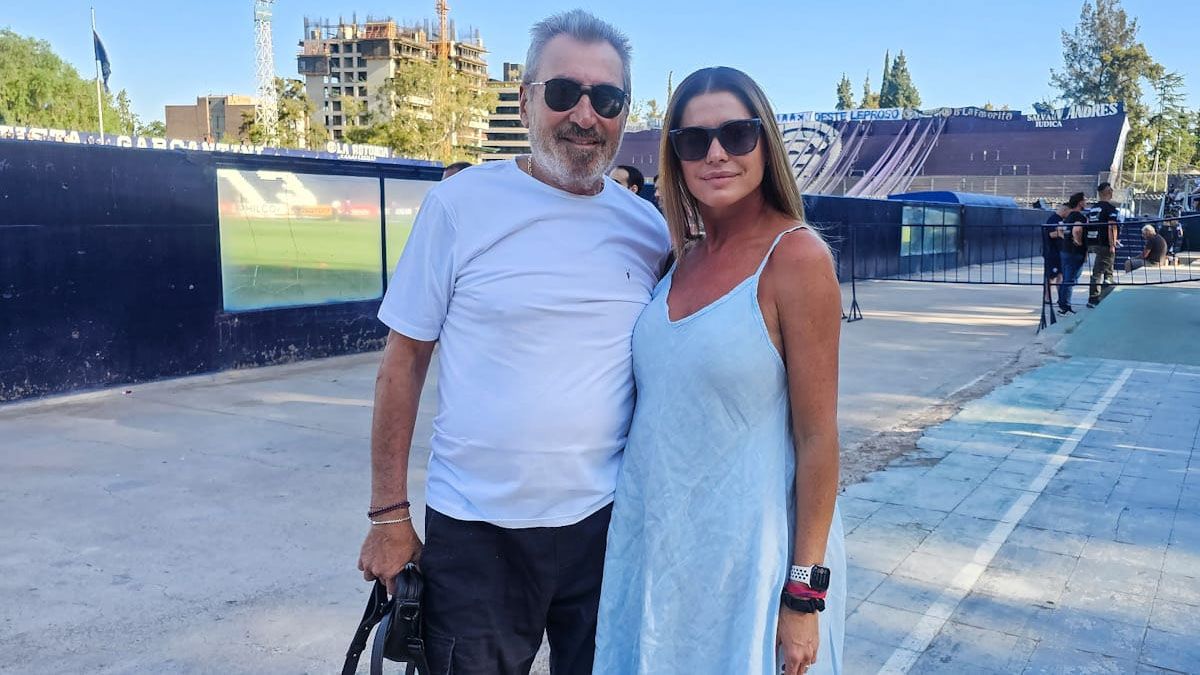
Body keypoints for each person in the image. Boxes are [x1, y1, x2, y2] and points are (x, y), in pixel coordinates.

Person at [356, 10, 669, 675]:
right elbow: (404, 362)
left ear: (623, 113)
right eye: (563, 93)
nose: (584, 114)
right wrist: (388, 514)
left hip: (607, 526)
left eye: (605, 99)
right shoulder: (460, 206)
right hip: (477, 533)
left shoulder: (649, 230)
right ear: (526, 98)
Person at [594, 66, 846, 675]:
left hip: (750, 566)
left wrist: (804, 595)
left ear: (766, 145)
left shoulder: (797, 258)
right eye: (692, 140)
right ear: (674, 156)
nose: (715, 154)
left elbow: (818, 441)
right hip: (658, 549)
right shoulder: (678, 262)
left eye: (736, 134)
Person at [1084, 182, 1120, 307]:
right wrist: (1112, 244)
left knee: (1106, 267)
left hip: (1093, 242)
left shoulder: (1093, 208)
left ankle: (1107, 289)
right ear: (1108, 192)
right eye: (1111, 191)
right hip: (1105, 243)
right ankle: (1093, 299)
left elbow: (1088, 225)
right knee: (1099, 271)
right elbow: (1112, 226)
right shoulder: (1110, 209)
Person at [1057, 192, 1088, 314]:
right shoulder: (1079, 217)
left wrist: (1066, 239)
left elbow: (1060, 230)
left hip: (1065, 250)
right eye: (1084, 200)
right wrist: (1078, 242)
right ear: (1080, 202)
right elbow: (1077, 230)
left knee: (1067, 278)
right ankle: (1065, 306)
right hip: (1075, 252)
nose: (1086, 202)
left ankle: (1062, 303)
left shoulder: (1068, 217)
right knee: (1070, 279)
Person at [1042, 203, 1068, 304]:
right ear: (1064, 210)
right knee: (1051, 276)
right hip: (1051, 252)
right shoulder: (1053, 219)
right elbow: (1051, 234)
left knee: (1060, 275)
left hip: (1058, 252)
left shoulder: (1060, 220)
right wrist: (1063, 233)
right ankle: (1047, 297)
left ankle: (1060, 298)